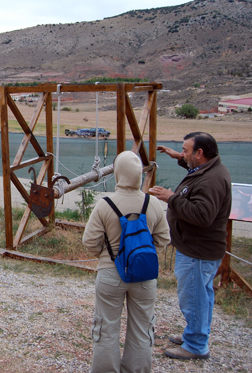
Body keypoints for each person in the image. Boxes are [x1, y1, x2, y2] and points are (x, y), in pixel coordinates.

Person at [83, 151, 170, 373]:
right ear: (139, 174)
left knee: (106, 328)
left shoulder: (105, 204)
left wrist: (106, 255)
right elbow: (163, 239)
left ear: (118, 173)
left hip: (111, 273)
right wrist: (143, 255)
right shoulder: (154, 204)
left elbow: (90, 242)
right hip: (144, 276)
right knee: (142, 328)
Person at [149, 132, 232, 360]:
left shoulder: (211, 180)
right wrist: (179, 157)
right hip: (200, 249)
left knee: (193, 298)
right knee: (202, 296)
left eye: (186, 151)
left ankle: (196, 346)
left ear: (200, 153)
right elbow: (195, 178)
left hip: (198, 251)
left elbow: (203, 215)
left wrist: (171, 198)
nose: (183, 154)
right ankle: (195, 334)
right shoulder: (208, 169)